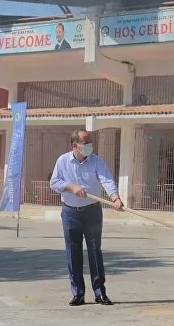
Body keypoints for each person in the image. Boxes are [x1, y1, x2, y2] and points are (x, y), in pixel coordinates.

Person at [49, 129, 124, 306]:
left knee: (94, 251)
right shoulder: (62, 161)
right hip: (70, 212)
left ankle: (100, 293)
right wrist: (70, 186)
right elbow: (54, 182)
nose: (90, 145)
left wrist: (115, 198)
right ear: (75, 145)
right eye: (86, 142)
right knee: (73, 253)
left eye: (90, 141)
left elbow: (106, 180)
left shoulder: (97, 161)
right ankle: (78, 294)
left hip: (92, 211)